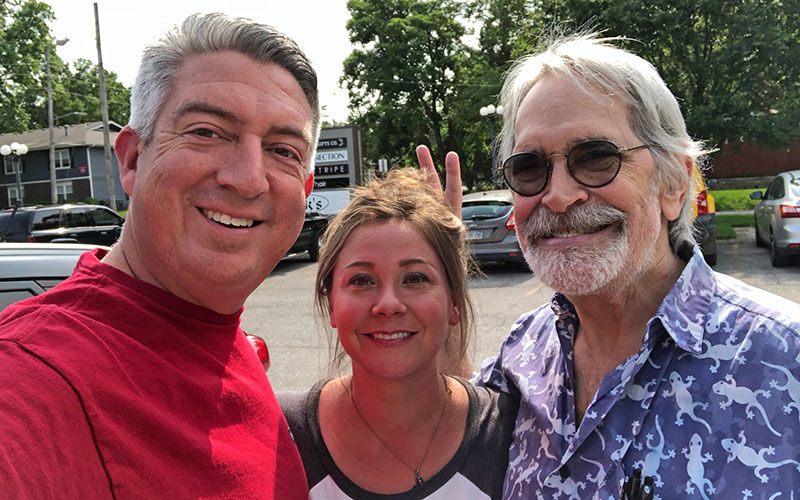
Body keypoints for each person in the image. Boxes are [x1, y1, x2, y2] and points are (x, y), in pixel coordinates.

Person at [0, 13, 319, 499]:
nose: (249, 177)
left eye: (283, 151)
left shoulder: (220, 340)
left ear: (305, 189)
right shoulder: (32, 378)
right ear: (131, 158)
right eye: (207, 132)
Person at [468, 33, 800, 498]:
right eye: (528, 167)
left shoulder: (785, 362)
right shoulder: (519, 355)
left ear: (673, 184)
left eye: (597, 157)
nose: (559, 197)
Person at [279, 168, 518, 499]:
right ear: (331, 304)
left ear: (454, 303)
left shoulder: (514, 434)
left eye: (416, 278)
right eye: (362, 280)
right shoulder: (282, 433)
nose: (388, 304)